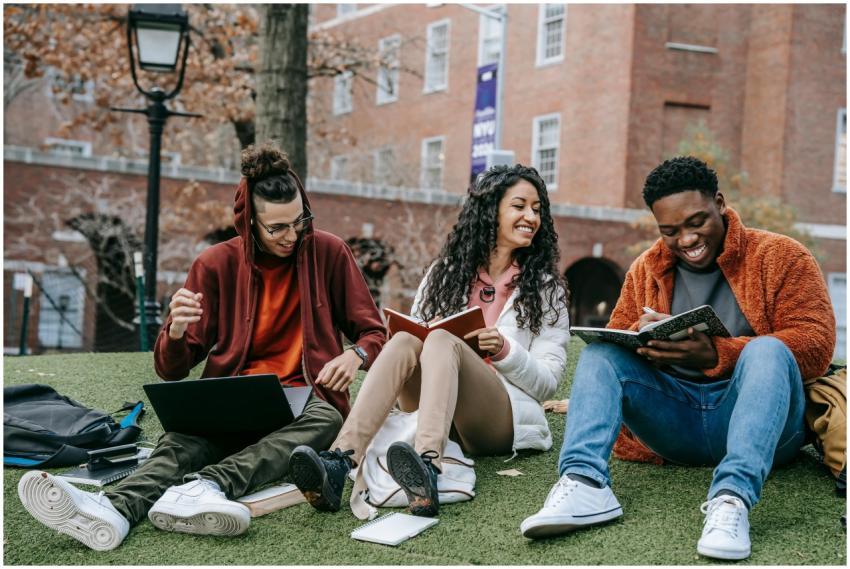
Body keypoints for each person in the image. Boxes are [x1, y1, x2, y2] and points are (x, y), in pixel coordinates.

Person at [17, 143, 386, 551]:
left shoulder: (329, 253)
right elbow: (171, 369)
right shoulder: (214, 264)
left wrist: (355, 354)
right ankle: (113, 510)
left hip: (304, 399)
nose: (293, 235)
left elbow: (374, 332)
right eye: (277, 227)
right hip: (233, 396)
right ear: (249, 222)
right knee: (181, 441)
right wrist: (175, 331)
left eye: (300, 221)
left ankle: (208, 486)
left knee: (328, 419)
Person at [521, 156, 836, 560]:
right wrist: (645, 342)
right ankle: (584, 483)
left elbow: (816, 344)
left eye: (696, 222)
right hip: (675, 423)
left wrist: (718, 353)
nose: (686, 240)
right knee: (601, 353)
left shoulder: (782, 256)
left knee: (768, 349)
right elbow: (618, 340)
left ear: (719, 203)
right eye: (669, 231)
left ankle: (732, 499)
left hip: (764, 429)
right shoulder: (646, 268)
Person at [287, 164, 571, 518]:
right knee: (406, 339)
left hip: (496, 420)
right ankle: (339, 461)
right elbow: (416, 340)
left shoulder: (545, 289)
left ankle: (427, 467)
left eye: (537, 209)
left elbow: (547, 382)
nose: (531, 217)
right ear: (490, 211)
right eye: (519, 206)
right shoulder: (445, 273)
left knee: (442, 341)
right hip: (433, 409)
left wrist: (504, 350)